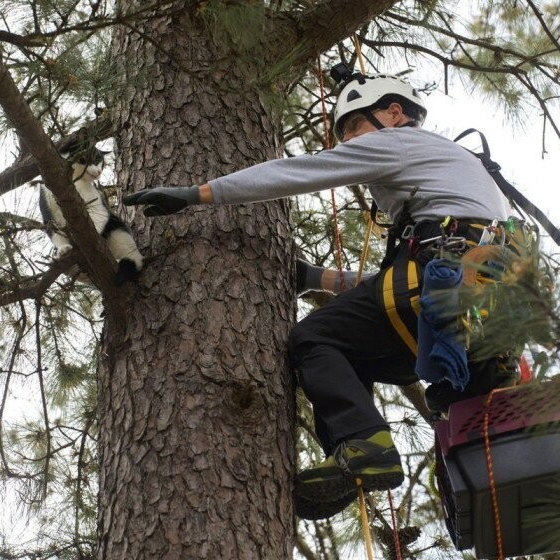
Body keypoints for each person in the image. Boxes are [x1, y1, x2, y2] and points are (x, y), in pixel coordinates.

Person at [123, 69, 511, 519]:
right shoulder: (452, 188)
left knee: (315, 340)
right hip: (468, 311)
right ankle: (362, 450)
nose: (348, 141)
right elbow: (394, 284)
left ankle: (365, 446)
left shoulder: (401, 141)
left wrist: (197, 193)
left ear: (394, 112)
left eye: (353, 127)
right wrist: (315, 277)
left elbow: (297, 172)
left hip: (432, 294)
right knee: (350, 353)